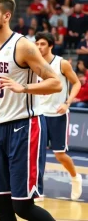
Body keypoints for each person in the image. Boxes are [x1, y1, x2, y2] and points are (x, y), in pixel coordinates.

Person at [0, 0, 62, 221]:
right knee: (1, 203)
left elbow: (55, 83)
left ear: (7, 16)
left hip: (25, 127)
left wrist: (24, 88)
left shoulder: (23, 46)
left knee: (22, 206)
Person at [35, 32, 82, 200]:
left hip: (57, 114)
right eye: (37, 44)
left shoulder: (61, 63)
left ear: (50, 46)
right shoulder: (34, 64)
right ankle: (37, 190)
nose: (39, 47)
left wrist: (67, 102)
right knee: (37, 154)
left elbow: (77, 82)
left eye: (42, 44)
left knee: (59, 154)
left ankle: (75, 177)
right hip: (39, 114)